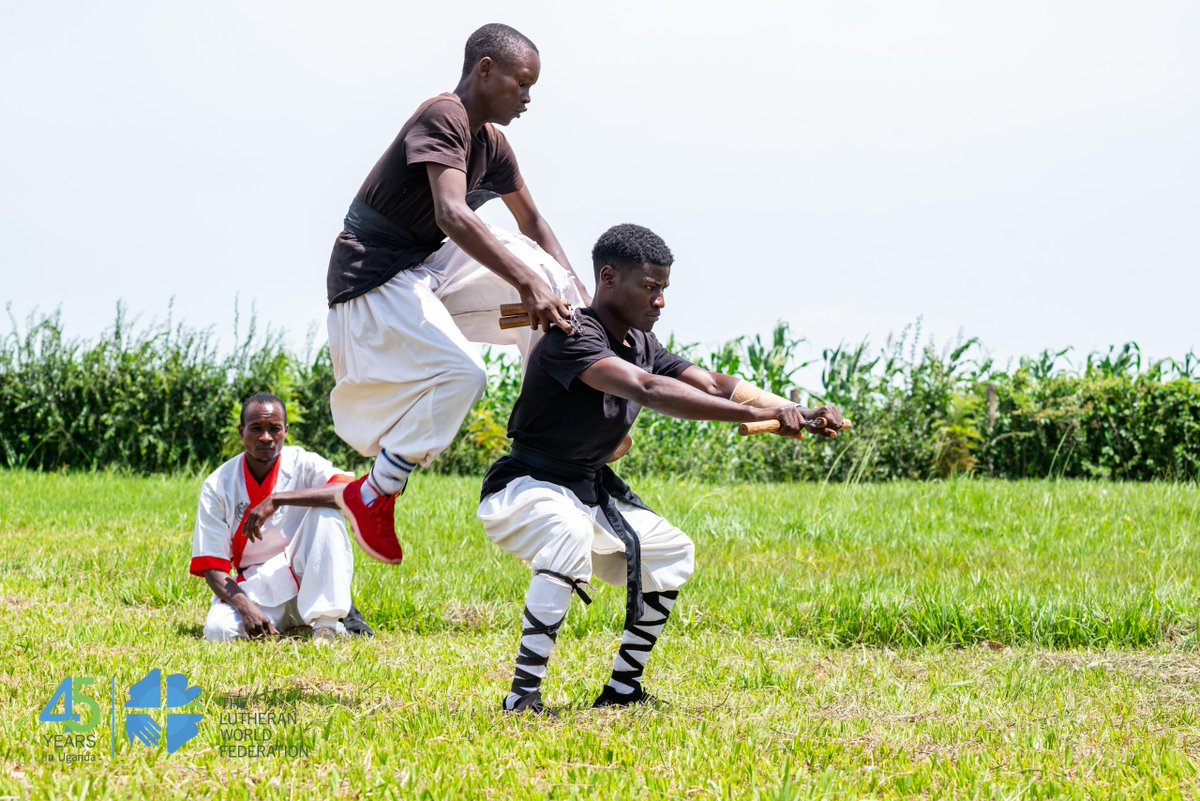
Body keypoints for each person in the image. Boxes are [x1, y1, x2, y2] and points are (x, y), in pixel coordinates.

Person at [477, 224, 844, 713]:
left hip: (588, 493)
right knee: (565, 532)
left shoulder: (642, 345)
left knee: (671, 552)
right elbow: (646, 390)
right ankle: (522, 697)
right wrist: (763, 417)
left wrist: (796, 409)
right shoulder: (572, 336)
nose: (661, 302)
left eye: (665, 289)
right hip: (526, 488)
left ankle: (622, 691)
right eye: (650, 288)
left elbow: (714, 385)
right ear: (608, 278)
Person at [325, 23, 588, 565]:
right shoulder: (442, 115)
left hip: (428, 264)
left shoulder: (494, 144)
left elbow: (534, 221)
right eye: (522, 83)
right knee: (466, 373)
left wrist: (585, 307)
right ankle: (374, 491)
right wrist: (525, 284)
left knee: (558, 293)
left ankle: (566, 422)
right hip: (374, 271)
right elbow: (451, 212)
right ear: (485, 69)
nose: (529, 97)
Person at [191, 392, 373, 642]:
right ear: (241, 431)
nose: (266, 437)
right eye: (256, 429)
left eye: (274, 429)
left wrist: (278, 499)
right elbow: (214, 567)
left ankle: (326, 624)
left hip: (306, 578)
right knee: (218, 631)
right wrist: (247, 609)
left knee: (327, 510)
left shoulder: (303, 462)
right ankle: (295, 623)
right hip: (257, 587)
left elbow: (348, 492)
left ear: (285, 431)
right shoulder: (218, 484)